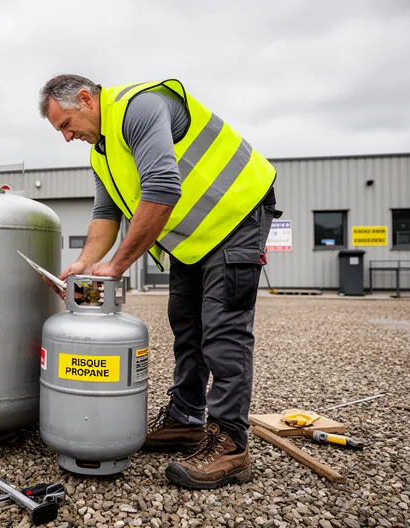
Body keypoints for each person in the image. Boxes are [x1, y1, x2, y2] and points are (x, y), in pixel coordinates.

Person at [37, 74, 281, 490]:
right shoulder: (103, 153)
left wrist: (117, 265)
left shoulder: (140, 108)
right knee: (186, 325)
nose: (65, 136)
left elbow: (163, 187)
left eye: (65, 124)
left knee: (224, 331)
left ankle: (231, 445)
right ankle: (186, 419)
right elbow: (105, 217)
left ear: (85, 99)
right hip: (195, 237)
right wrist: (83, 263)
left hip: (238, 212)